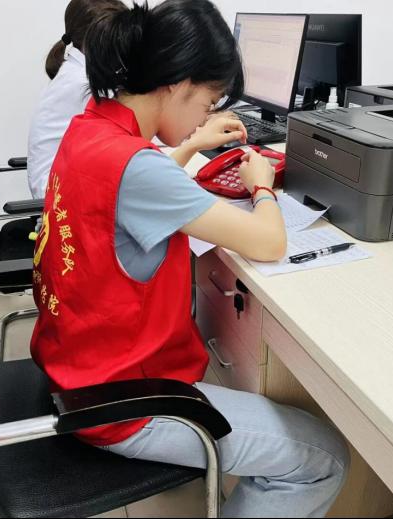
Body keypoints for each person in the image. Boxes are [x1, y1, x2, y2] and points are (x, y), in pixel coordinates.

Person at [30, 1, 349, 517]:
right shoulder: (138, 168)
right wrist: (261, 187)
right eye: (208, 102)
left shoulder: (89, 129)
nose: (207, 114)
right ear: (178, 84)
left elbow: (133, 183)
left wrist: (187, 146)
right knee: (323, 458)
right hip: (125, 403)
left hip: (77, 369)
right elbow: (268, 243)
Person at [27, 0, 125, 199]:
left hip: (62, 184)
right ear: (97, 41)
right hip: (59, 198)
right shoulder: (83, 83)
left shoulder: (77, 71)